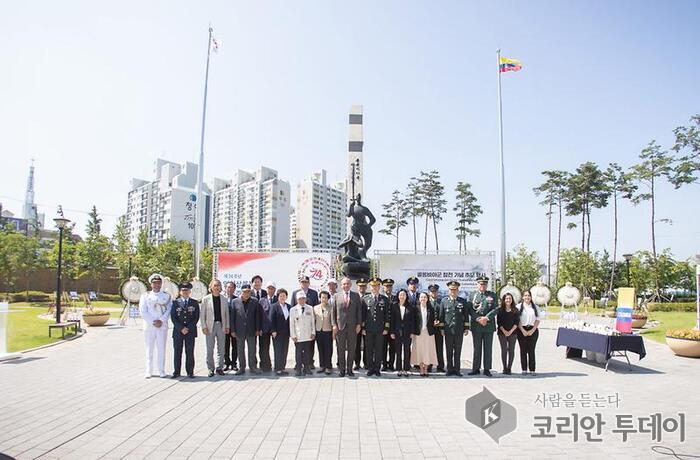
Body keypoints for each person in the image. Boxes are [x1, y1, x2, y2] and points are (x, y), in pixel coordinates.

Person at [139, 273, 172, 378]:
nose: (156, 285)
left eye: (158, 283)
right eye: (154, 283)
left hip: (162, 326)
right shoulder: (145, 296)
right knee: (149, 348)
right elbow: (143, 311)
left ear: (161, 283)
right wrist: (153, 321)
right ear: (151, 284)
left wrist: (161, 321)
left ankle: (161, 370)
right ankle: (149, 370)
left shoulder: (166, 296)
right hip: (149, 326)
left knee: (161, 349)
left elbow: (168, 310)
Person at [331, 277, 363, 377]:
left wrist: (359, 324)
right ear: (341, 285)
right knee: (340, 350)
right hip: (340, 327)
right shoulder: (336, 296)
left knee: (351, 349)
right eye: (344, 284)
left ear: (350, 285)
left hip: (352, 327)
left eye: (348, 284)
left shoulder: (356, 296)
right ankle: (342, 370)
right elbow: (333, 312)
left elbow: (359, 311)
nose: (346, 285)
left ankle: (349, 369)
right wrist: (334, 325)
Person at [438, 281, 470, 376]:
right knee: (448, 351)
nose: (453, 291)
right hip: (448, 330)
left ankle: (457, 370)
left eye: (455, 289)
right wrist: (442, 329)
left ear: (458, 290)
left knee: (458, 350)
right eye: (451, 289)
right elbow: (441, 316)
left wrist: (466, 327)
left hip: (459, 330)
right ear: (449, 290)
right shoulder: (444, 301)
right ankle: (449, 369)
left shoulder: (462, 301)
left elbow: (466, 315)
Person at [468, 276, 498, 377]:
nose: (483, 286)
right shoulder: (472, 295)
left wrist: (486, 318)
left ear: (487, 285)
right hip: (476, 326)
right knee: (477, 348)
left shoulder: (492, 295)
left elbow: (496, 308)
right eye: (481, 284)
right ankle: (476, 368)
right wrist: (478, 319)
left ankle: (487, 369)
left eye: (484, 284)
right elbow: (470, 310)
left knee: (488, 348)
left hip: (488, 326)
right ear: (477, 284)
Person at [230, 284, 262, 375]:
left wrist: (257, 329)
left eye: (248, 292)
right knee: (240, 350)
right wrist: (232, 330)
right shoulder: (235, 301)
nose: (246, 294)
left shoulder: (255, 301)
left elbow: (257, 316)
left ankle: (253, 367)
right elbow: (232, 317)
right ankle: (242, 368)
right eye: (244, 292)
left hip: (251, 330)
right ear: (241, 292)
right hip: (239, 330)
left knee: (252, 349)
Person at [200, 279, 230, 377]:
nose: (216, 287)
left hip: (221, 325)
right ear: (211, 287)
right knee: (210, 349)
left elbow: (226, 315)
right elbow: (202, 315)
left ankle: (219, 368)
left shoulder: (224, 299)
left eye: (218, 286)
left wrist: (227, 326)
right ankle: (210, 368)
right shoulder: (205, 299)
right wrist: (203, 326)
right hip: (209, 326)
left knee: (221, 349)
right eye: (215, 286)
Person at [362, 277, 390, 377]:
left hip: (380, 329)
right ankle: (370, 368)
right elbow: (363, 315)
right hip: (368, 329)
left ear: (379, 287)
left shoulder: (384, 299)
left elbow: (387, 315)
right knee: (369, 349)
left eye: (377, 286)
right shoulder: (365, 299)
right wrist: (363, 328)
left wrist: (386, 328)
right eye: (373, 286)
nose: (375, 288)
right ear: (370, 287)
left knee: (379, 349)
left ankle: (377, 368)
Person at [171, 282, 199, 378]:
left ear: (190, 291)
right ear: (180, 292)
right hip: (178, 332)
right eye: (183, 290)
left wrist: (188, 328)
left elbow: (196, 317)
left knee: (190, 352)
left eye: (187, 290)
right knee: (177, 352)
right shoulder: (175, 302)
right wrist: (181, 328)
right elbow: (173, 318)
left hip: (190, 331)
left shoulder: (194, 303)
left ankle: (190, 372)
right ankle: (176, 372)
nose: (185, 292)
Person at [292, 276, 319, 368]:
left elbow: (315, 309)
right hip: (298, 325)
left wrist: (313, 329)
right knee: (298, 347)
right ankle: (298, 364)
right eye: (302, 282)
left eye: (306, 282)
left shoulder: (314, 293)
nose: (304, 283)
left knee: (310, 346)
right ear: (300, 283)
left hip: (308, 324)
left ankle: (309, 363)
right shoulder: (295, 293)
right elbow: (293, 308)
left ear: (309, 283)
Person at [391, 289, 417, 377]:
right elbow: (392, 320)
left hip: (407, 332)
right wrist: (392, 332)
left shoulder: (410, 307)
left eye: (404, 295)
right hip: (397, 331)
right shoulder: (394, 306)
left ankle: (406, 368)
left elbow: (413, 321)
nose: (402, 297)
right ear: (398, 296)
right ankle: (398, 368)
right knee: (398, 350)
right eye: (400, 295)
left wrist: (412, 332)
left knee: (407, 350)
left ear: (406, 296)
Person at [411, 292, 438, 377]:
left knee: (427, 351)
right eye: (421, 297)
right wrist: (412, 332)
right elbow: (413, 322)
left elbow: (434, 319)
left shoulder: (431, 309)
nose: (423, 299)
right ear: (419, 299)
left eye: (425, 297)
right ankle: (421, 369)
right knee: (419, 351)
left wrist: (435, 322)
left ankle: (426, 369)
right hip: (418, 333)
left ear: (427, 299)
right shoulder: (415, 309)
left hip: (428, 333)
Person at [290, 291, 315, 376]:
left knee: (308, 352)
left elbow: (312, 322)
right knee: (298, 353)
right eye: (300, 299)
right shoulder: (293, 309)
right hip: (298, 335)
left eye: (303, 298)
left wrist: (313, 333)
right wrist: (293, 335)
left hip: (308, 334)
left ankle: (307, 368)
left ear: (306, 299)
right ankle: (298, 368)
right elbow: (291, 324)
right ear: (297, 300)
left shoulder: (310, 308)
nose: (302, 300)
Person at [517, 289, 541, 376]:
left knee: (531, 350)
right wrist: (523, 330)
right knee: (523, 350)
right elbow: (517, 320)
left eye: (529, 296)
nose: (527, 297)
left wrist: (532, 330)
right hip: (521, 330)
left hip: (533, 330)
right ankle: (524, 369)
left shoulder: (535, 307)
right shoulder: (518, 307)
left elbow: (538, 320)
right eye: (525, 295)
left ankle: (532, 369)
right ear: (523, 297)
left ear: (531, 297)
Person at [497, 292, 520, 375]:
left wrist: (510, 331)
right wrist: (504, 331)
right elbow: (499, 323)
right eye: (506, 298)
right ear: (504, 300)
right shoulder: (500, 310)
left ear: (512, 300)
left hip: (513, 333)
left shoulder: (515, 310)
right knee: (504, 350)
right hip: (502, 333)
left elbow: (517, 322)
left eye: (510, 298)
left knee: (511, 350)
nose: (508, 300)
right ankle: (504, 368)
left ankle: (509, 368)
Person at [271, 288, 292, 376]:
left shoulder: (289, 306)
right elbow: (271, 319)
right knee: (278, 351)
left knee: (284, 350)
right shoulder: (274, 306)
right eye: (280, 296)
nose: (282, 297)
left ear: (286, 297)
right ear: (278, 297)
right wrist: (273, 330)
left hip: (286, 333)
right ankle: (277, 368)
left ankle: (283, 368)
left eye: (284, 296)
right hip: (277, 333)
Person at [314, 291, 334, 375]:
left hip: (328, 331)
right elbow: (313, 320)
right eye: (322, 297)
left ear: (328, 299)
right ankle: (322, 365)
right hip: (318, 331)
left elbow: (332, 321)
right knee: (320, 349)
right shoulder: (315, 308)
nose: (324, 299)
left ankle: (328, 366)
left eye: (325, 297)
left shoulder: (331, 308)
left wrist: (334, 332)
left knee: (328, 349)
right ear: (320, 298)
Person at [257, 281, 276, 373]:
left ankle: (278, 365)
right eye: (269, 288)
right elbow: (259, 316)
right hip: (264, 329)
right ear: (266, 289)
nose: (270, 290)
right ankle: (265, 365)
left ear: (275, 290)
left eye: (272, 288)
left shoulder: (278, 299)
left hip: (275, 329)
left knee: (277, 348)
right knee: (264, 348)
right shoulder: (262, 300)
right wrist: (259, 328)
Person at [428, 284, 445, 373]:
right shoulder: (427, 302)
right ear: (429, 292)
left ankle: (440, 366)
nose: (434, 293)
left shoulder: (441, 301)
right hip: (429, 329)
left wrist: (440, 324)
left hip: (439, 329)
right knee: (430, 348)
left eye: (435, 291)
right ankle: (429, 366)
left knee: (439, 347)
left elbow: (442, 315)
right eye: (432, 292)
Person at [353, 278, 369, 371]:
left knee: (367, 345)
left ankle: (366, 363)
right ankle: (357, 363)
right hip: (356, 325)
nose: (362, 288)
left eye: (364, 286)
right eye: (360, 286)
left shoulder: (369, 296)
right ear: (357, 287)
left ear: (366, 287)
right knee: (356, 345)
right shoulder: (354, 296)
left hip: (367, 325)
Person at [381, 278, 396, 371]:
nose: (388, 288)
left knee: (393, 347)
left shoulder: (395, 298)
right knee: (383, 347)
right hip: (383, 327)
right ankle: (384, 364)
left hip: (393, 327)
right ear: (383, 287)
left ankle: (391, 364)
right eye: (386, 286)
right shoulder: (381, 298)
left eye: (390, 286)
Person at [223, 281, 238, 372]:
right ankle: (226, 363)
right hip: (225, 326)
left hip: (234, 327)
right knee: (225, 346)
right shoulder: (222, 299)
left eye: (232, 287)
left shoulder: (237, 299)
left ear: (234, 289)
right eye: (228, 287)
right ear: (225, 288)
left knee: (235, 346)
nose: (230, 289)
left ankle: (234, 363)